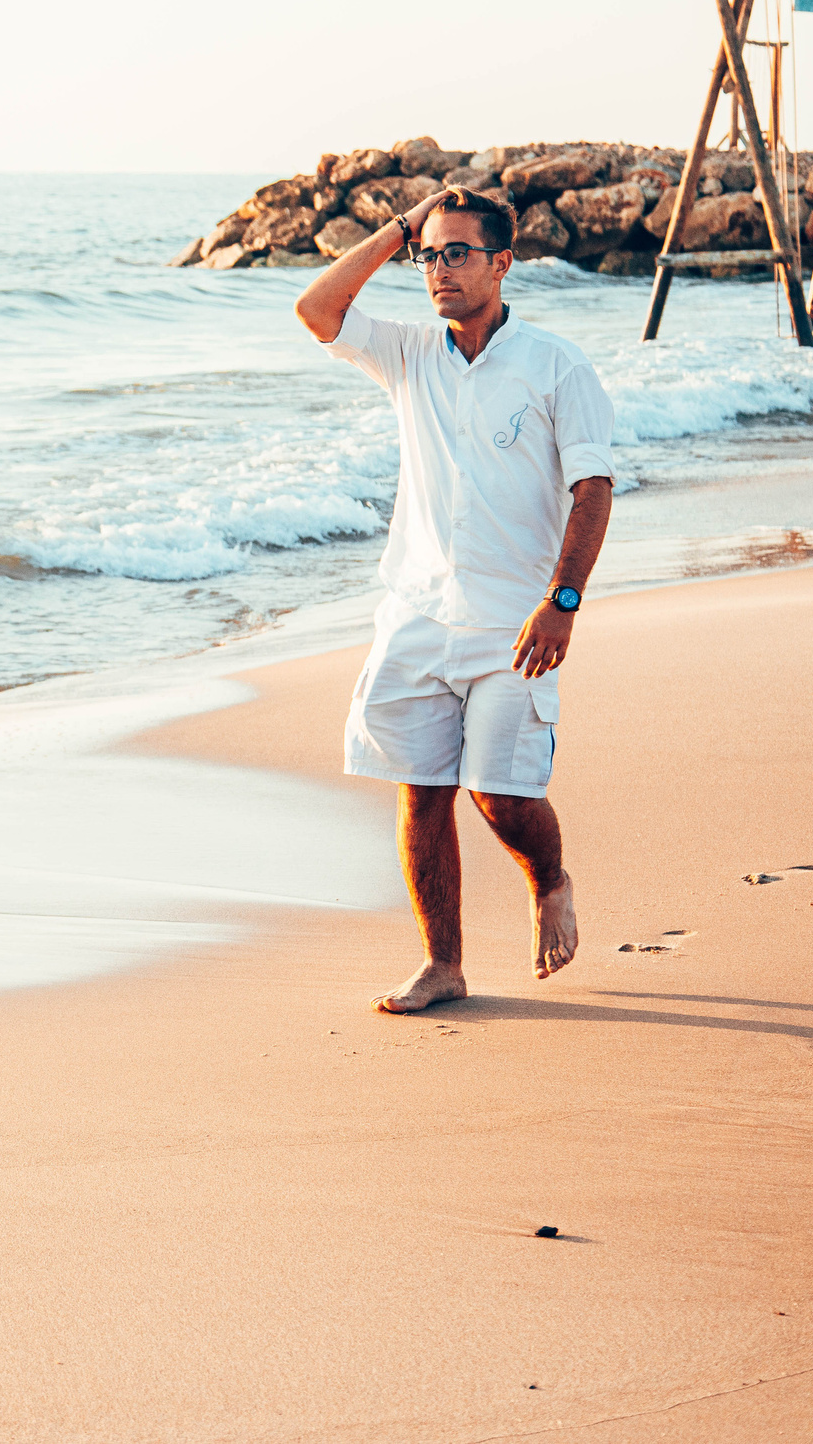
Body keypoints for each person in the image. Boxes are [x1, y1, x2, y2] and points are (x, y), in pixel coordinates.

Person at [292, 185, 616, 1013]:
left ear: (503, 264)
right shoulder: (409, 354)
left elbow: (592, 487)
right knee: (421, 788)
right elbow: (316, 306)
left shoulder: (555, 365)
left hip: (518, 622)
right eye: (428, 254)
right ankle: (443, 964)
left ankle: (549, 878)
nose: (437, 269)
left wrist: (564, 599)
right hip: (416, 614)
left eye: (456, 252)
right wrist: (401, 225)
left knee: (501, 794)